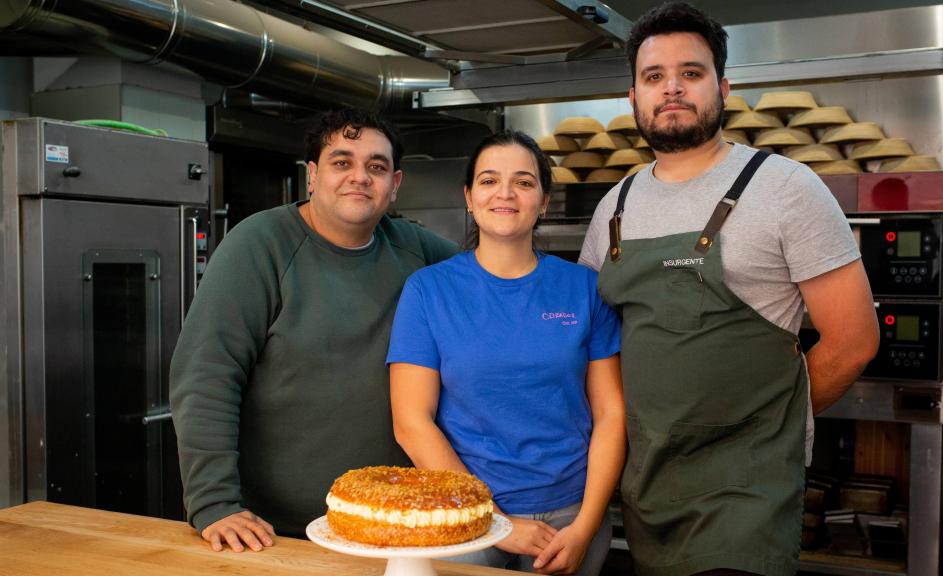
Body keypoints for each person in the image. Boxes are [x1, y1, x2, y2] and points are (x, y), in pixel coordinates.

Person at [577, 3, 880, 575]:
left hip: (745, 492)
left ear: (724, 86)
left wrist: (769, 428)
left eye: (691, 73)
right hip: (646, 482)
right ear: (634, 98)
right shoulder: (613, 207)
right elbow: (598, 344)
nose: (672, 89)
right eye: (653, 77)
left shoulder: (787, 188)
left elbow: (853, 341)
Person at [169, 107, 458, 552]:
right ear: (312, 175)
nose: (359, 177)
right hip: (275, 533)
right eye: (342, 162)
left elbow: (494, 280)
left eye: (376, 167)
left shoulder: (417, 249)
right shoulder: (259, 245)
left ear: (394, 185)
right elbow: (206, 376)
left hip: (393, 527)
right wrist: (213, 501)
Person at [387, 131, 626, 576]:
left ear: (543, 199)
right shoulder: (428, 290)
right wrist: (492, 519)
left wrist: (589, 523)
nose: (505, 193)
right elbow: (411, 423)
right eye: (489, 180)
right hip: (466, 516)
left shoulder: (583, 289)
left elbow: (611, 414)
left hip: (571, 518)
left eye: (523, 181)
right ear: (469, 197)